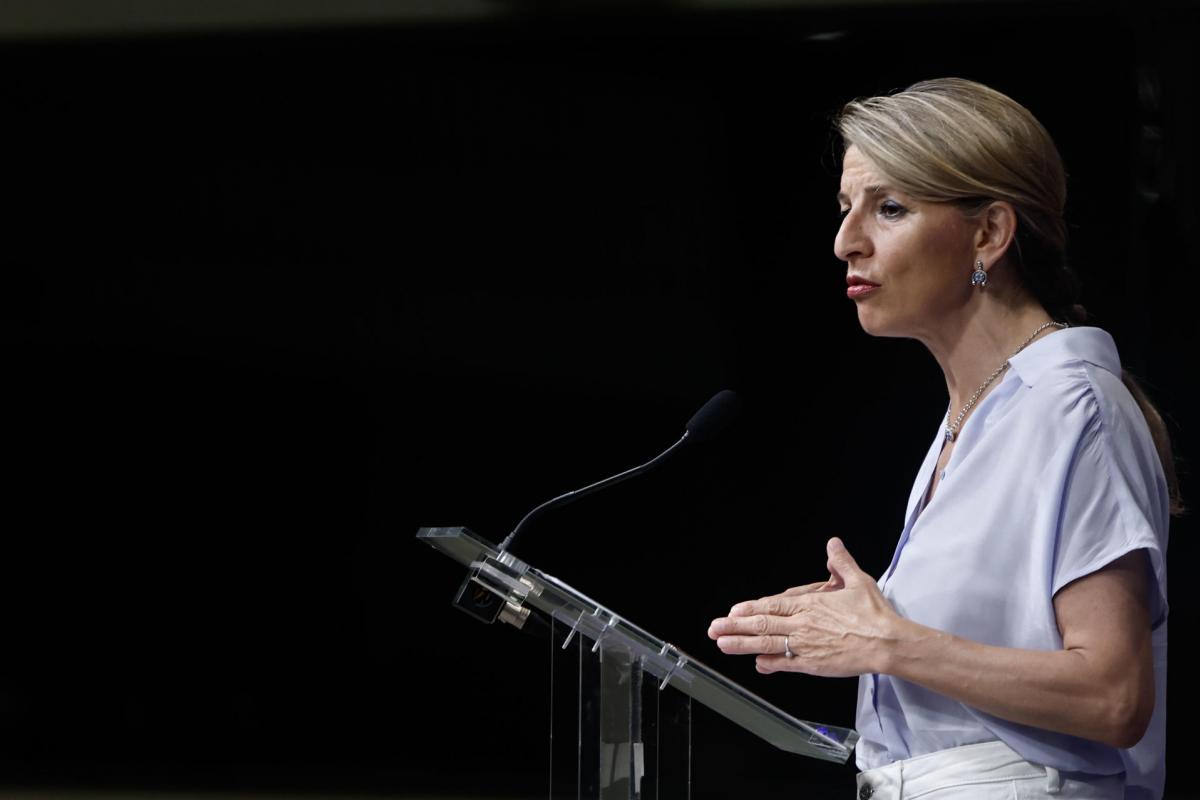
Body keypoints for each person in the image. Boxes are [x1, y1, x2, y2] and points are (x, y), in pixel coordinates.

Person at [707, 78, 1179, 800]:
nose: (845, 241)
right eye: (845, 209)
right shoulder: (979, 411)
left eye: (889, 208)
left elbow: (1114, 698)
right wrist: (870, 626)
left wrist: (887, 642)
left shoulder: (1072, 407)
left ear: (990, 232)